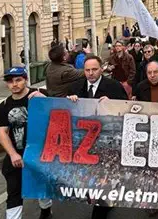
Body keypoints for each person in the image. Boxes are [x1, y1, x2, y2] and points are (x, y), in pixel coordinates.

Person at [66, 55, 127, 219]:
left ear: (102, 69)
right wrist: (69, 101)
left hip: (106, 142)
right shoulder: (76, 87)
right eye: (87, 70)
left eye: (94, 69)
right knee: (88, 178)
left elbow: (126, 109)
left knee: (103, 176)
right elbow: (65, 112)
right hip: (84, 144)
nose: (91, 73)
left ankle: (102, 207)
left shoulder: (113, 86)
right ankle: (99, 200)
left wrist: (113, 103)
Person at [0, 66, 51, 219]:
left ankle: (46, 211)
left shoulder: (38, 95)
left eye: (18, 80)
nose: (14, 84)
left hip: (40, 153)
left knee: (41, 185)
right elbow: (2, 132)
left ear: (25, 80)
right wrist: (13, 154)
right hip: (17, 155)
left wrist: (45, 101)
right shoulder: (5, 106)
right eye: (10, 81)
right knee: (14, 191)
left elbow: (59, 115)